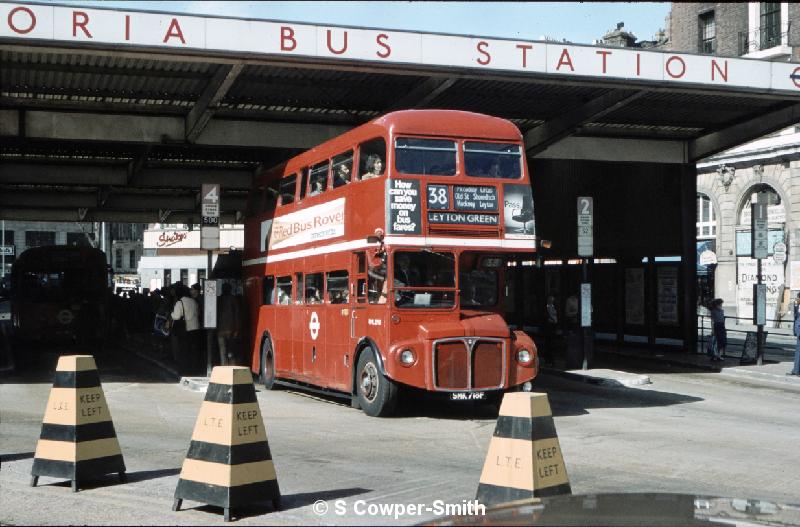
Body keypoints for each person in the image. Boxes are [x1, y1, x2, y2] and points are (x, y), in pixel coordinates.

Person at [171, 285, 201, 375]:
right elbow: (198, 313)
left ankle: (185, 370)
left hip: (185, 330)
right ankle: (194, 369)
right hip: (195, 328)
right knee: (193, 351)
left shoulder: (180, 302)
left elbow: (176, 316)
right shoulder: (194, 301)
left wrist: (171, 313)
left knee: (184, 351)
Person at [216, 282, 241, 366]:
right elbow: (237, 314)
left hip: (220, 329)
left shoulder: (218, 300)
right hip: (231, 329)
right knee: (231, 350)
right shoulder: (234, 299)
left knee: (222, 351)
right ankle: (231, 368)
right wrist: (237, 329)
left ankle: (224, 367)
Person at [790, 293, 800, 375]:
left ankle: (797, 370)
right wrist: (796, 305)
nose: (797, 299)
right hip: (798, 331)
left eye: (798, 297)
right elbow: (795, 317)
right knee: (798, 351)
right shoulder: (797, 305)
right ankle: (796, 370)